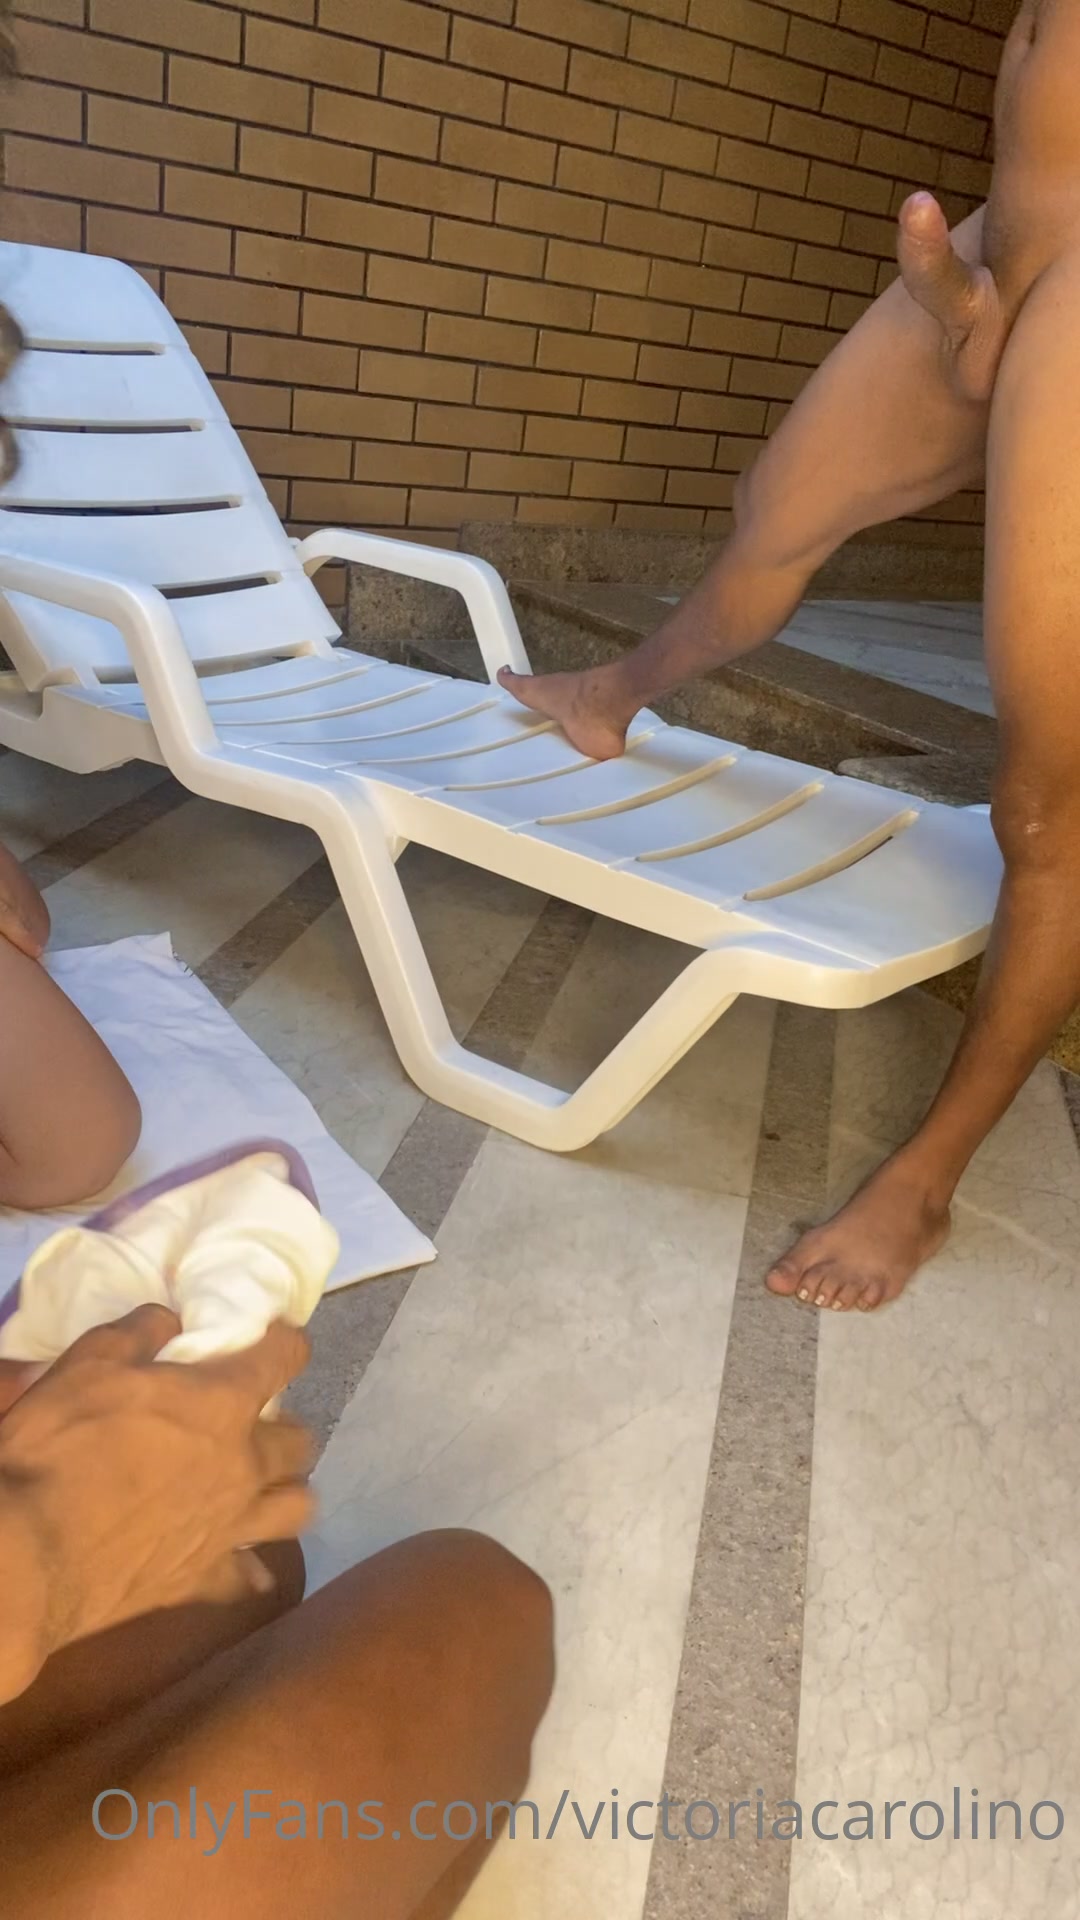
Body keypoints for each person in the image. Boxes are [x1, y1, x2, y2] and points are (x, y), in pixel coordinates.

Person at [502, 0, 1077, 1315]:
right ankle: (609, 694)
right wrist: (972, 300)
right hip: (1006, 239)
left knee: (1049, 806)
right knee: (775, 512)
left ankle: (924, 1183)